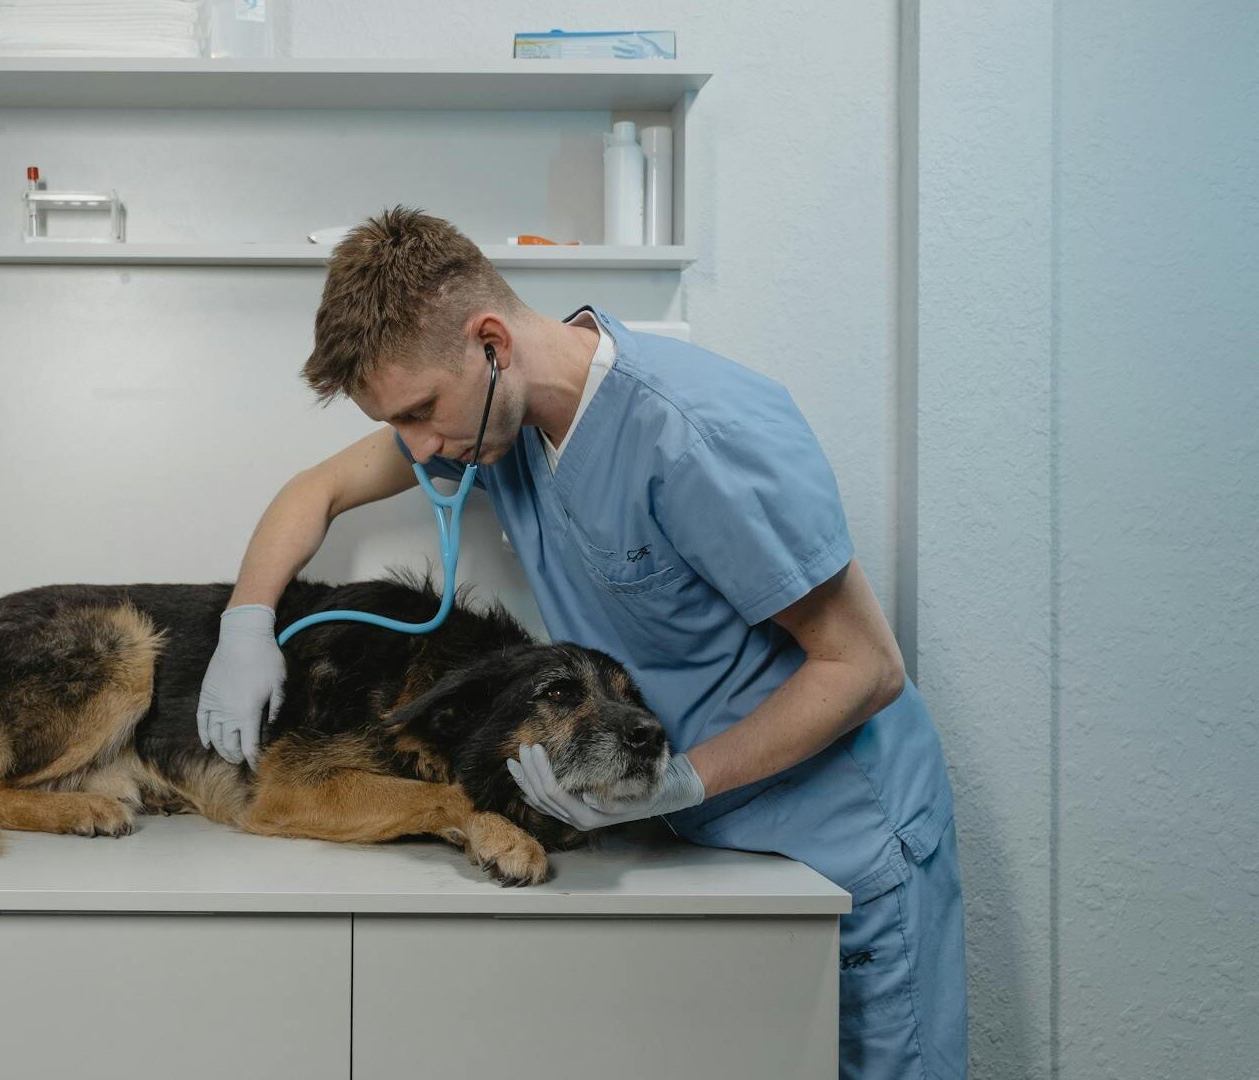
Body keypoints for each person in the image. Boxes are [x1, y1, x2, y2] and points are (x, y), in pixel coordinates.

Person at [195, 207, 966, 1078]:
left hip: (833, 840)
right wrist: (247, 623)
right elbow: (316, 490)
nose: (418, 449)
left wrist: (683, 780)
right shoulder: (500, 425)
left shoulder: (696, 435)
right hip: (698, 846)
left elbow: (865, 666)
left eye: (419, 412)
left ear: (491, 342)